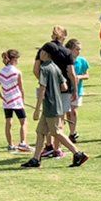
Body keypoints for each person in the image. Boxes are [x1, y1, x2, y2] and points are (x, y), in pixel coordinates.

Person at [21, 48, 89, 169]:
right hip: (55, 104)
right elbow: (64, 87)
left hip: (50, 106)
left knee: (56, 132)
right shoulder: (56, 67)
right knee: (40, 132)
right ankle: (36, 159)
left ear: (46, 54)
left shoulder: (44, 69)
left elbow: (42, 88)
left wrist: (37, 109)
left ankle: (78, 153)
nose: (39, 54)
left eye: (41, 52)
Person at [33, 27, 77, 158]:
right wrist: (74, 89)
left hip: (48, 93)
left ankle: (51, 147)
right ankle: (55, 149)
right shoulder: (66, 53)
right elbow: (70, 74)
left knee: (52, 124)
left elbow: (36, 70)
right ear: (64, 37)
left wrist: (45, 82)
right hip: (63, 93)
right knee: (57, 122)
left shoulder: (44, 54)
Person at [0, 49, 31, 152]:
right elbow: (21, 88)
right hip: (17, 101)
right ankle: (23, 142)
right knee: (23, 121)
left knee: (8, 122)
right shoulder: (17, 72)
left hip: (7, 102)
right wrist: (22, 100)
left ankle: (10, 145)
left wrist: (3, 97)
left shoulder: (0, 72)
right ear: (13, 59)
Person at [65, 39, 89, 143]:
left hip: (77, 90)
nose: (78, 52)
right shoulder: (65, 60)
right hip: (66, 89)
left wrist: (79, 77)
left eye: (79, 49)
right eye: (76, 49)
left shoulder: (82, 61)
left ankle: (73, 132)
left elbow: (87, 75)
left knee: (73, 110)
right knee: (68, 112)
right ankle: (70, 131)